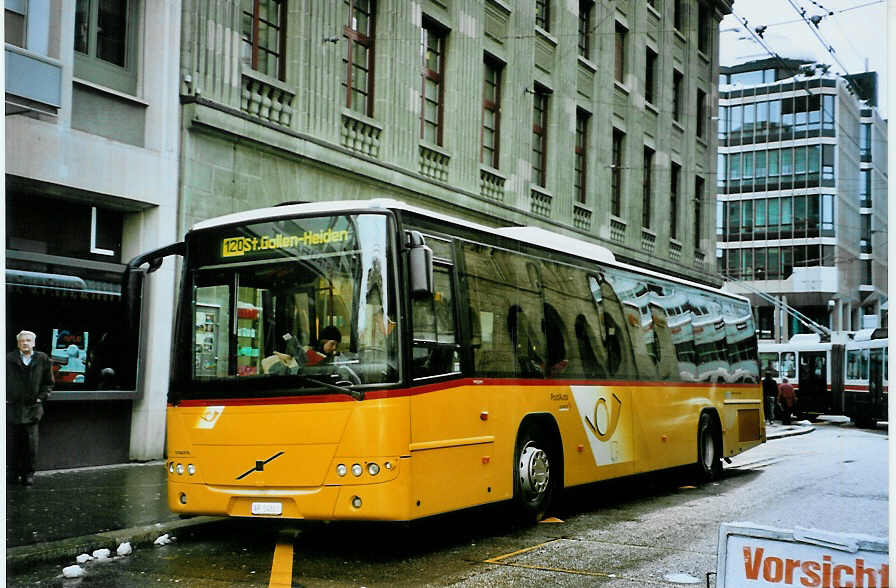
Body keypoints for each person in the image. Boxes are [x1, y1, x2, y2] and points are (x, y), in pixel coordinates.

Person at [6, 330, 54, 486]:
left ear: (33, 343)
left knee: (31, 444)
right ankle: (12, 473)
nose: (25, 343)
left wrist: (41, 397)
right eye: (22, 341)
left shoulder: (43, 359)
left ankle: (28, 474)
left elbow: (48, 382)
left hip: (33, 408)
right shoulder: (8, 358)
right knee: (12, 443)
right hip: (12, 407)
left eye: (28, 340)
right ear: (18, 343)